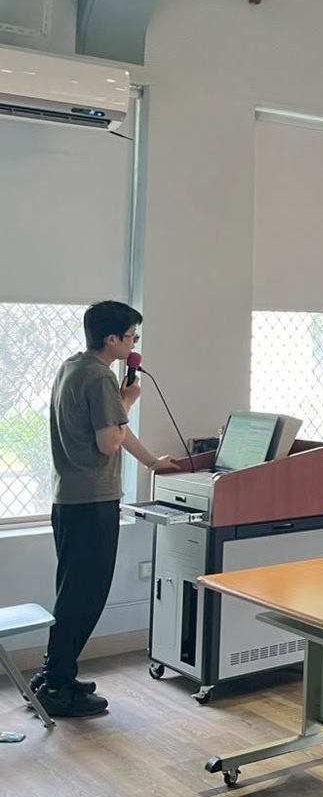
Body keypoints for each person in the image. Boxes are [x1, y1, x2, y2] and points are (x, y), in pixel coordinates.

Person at [40, 301, 182, 718]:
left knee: (72, 591)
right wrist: (128, 402)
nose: (134, 344)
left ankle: (55, 673)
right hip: (92, 500)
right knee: (86, 595)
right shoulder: (101, 377)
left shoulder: (72, 367)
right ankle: (57, 684)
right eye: (132, 336)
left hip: (69, 498)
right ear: (112, 339)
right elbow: (109, 442)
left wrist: (152, 462)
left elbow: (113, 429)